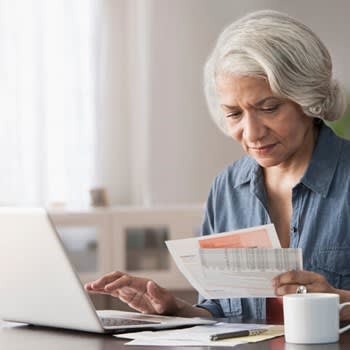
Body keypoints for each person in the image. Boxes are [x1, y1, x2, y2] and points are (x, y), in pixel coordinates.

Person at [85, 10, 350, 321]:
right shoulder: (228, 188)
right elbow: (222, 313)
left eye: (269, 108)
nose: (251, 133)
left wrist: (342, 303)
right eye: (234, 114)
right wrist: (176, 309)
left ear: (308, 99)